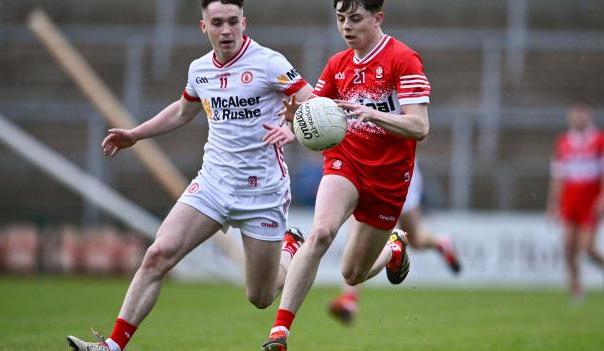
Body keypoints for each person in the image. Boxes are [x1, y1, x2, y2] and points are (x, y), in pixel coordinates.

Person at [66, 1, 314, 350]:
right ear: (204, 27)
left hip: (262, 191)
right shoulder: (199, 69)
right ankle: (112, 346)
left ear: (245, 22)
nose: (226, 30)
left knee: (260, 296)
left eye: (232, 22)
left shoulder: (269, 63)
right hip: (212, 184)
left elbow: (315, 104)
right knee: (157, 256)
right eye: (217, 23)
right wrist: (137, 134)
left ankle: (290, 246)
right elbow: (183, 111)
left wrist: (293, 125)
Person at [261, 1, 430, 350]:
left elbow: (420, 126)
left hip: (388, 177)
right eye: (340, 19)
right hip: (346, 160)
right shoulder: (338, 65)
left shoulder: (403, 59)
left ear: (377, 18)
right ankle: (280, 332)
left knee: (352, 274)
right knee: (321, 232)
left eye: (355, 19)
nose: (346, 27)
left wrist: (374, 114)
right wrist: (296, 124)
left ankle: (393, 251)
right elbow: (316, 114)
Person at [328, 163, 462, 324]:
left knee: (373, 237)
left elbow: (420, 136)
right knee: (415, 239)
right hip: (376, 166)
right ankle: (441, 243)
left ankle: (350, 299)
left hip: (394, 168)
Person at [546, 99, 604, 304]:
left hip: (590, 202)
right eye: (575, 114)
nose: (579, 117)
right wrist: (553, 203)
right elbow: (558, 176)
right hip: (569, 202)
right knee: (568, 247)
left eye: (583, 113)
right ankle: (576, 288)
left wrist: (602, 198)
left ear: (590, 116)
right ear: (569, 117)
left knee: (587, 247)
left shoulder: (599, 140)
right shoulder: (563, 142)